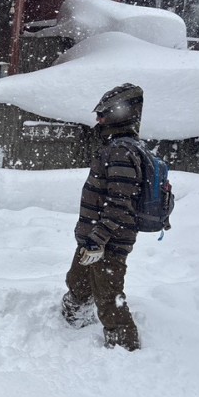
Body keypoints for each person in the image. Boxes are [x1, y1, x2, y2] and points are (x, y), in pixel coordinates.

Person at [61, 83, 145, 351]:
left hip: (108, 241)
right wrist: (90, 239)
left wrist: (98, 239)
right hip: (94, 238)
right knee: (78, 283)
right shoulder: (116, 148)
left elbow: (119, 204)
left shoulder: (121, 152)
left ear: (119, 116)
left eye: (103, 114)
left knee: (109, 298)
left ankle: (125, 350)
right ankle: (71, 323)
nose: (98, 120)